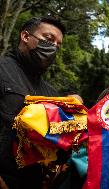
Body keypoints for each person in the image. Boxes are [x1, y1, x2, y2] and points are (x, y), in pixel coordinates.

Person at [0, 16, 65, 189]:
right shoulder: (2, 69)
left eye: (58, 46)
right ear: (25, 37)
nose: (53, 48)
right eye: (49, 39)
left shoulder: (52, 94)